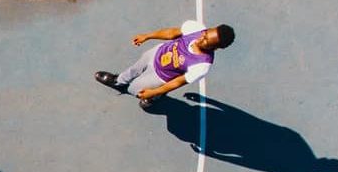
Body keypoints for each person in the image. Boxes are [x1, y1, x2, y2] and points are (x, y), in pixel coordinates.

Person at [95, 21, 235, 110]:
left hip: (160, 76)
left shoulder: (202, 65)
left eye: (206, 41)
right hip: (156, 53)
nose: (201, 38)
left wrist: (154, 92)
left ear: (216, 48)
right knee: (133, 70)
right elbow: (172, 33)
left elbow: (177, 82)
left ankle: (153, 98)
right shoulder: (196, 29)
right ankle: (118, 81)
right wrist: (148, 36)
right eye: (205, 34)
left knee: (133, 89)